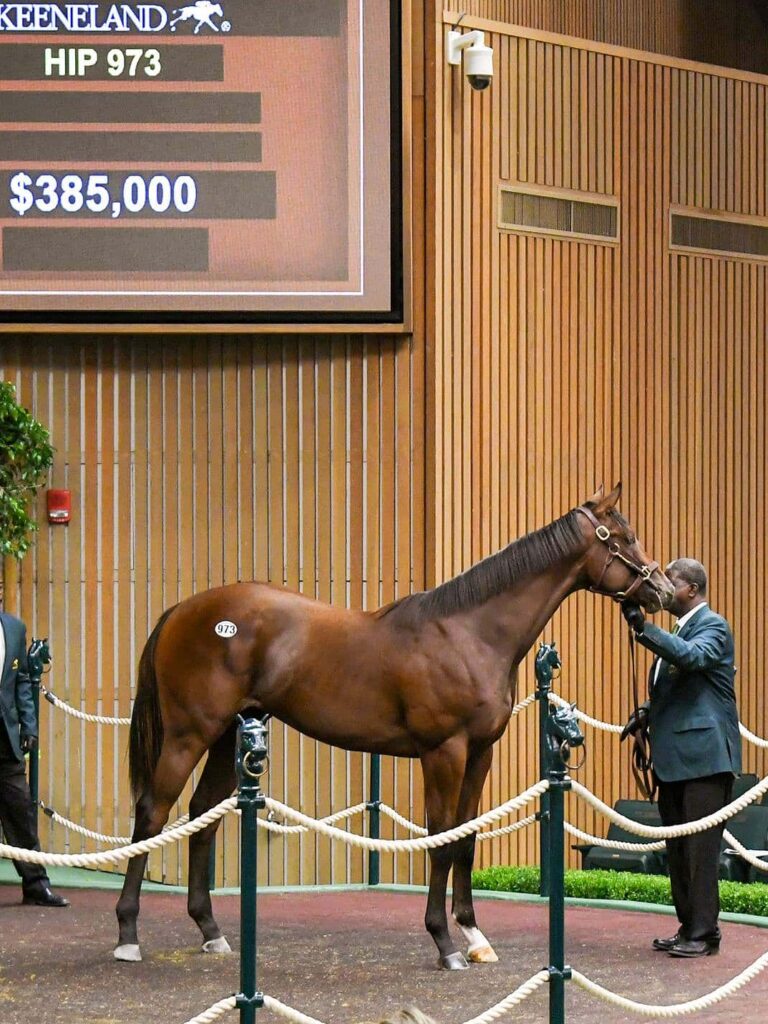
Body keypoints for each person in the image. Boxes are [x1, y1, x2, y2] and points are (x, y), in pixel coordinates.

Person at [621, 558, 741, 958]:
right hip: (676, 760)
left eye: (670, 580)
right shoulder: (683, 630)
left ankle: (704, 933)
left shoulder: (714, 627)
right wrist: (645, 713)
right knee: (678, 849)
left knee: (700, 852)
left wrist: (642, 629)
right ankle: (690, 926)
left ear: (691, 589)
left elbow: (692, 658)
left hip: (705, 761)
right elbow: (680, 688)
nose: (664, 586)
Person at [0, 599, 69, 907]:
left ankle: (36, 885)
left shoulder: (14, 628)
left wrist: (30, 728)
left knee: (21, 813)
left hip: (6, 738)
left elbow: (23, 681)